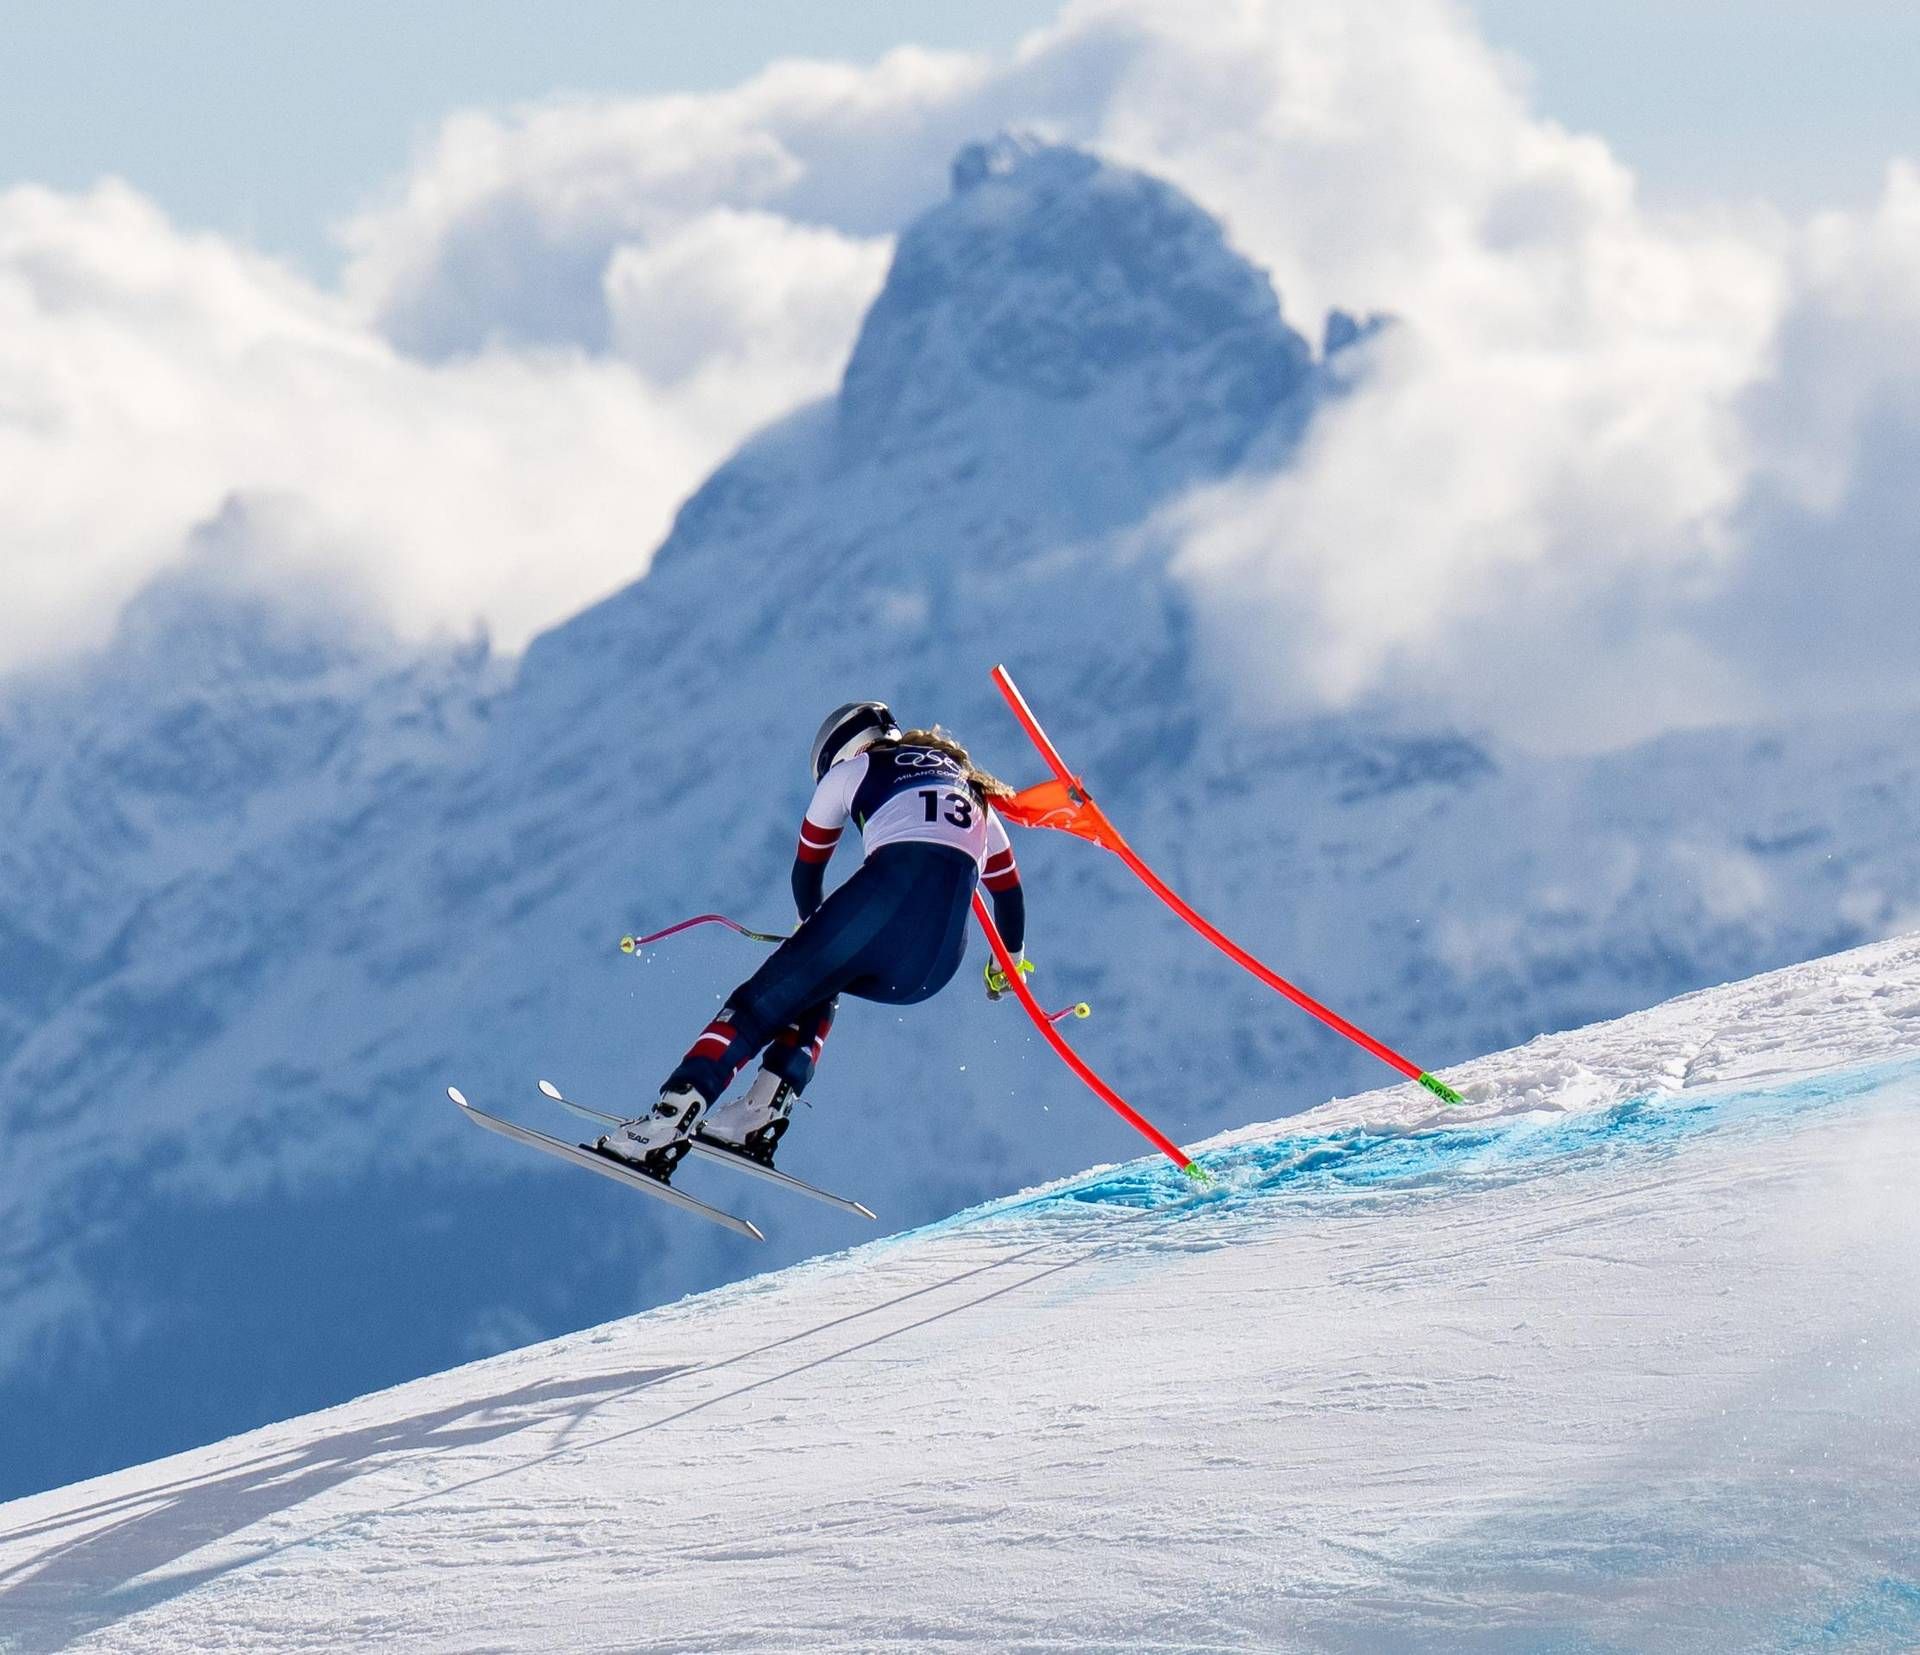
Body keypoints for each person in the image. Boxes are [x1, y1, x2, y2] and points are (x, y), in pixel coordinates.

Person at [599, 701, 1030, 1177]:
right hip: (936, 968)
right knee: (819, 981)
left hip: (882, 905)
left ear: (839, 750)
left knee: (757, 1005)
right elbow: (1009, 894)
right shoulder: (971, 791)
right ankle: (758, 1114)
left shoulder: (855, 769)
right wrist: (1005, 967)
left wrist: (809, 939)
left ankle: (663, 1126)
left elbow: (806, 872)